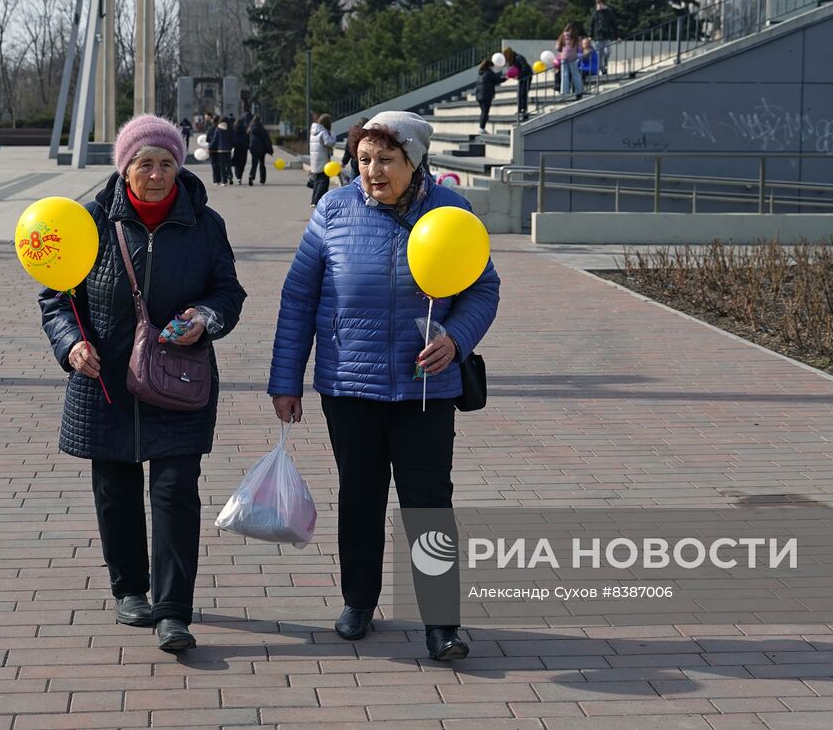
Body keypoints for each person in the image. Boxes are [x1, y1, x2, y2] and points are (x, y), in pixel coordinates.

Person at [269, 110, 500, 662]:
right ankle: (358, 602)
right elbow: (299, 297)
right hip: (349, 386)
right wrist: (286, 380)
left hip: (427, 388)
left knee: (428, 504)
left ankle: (442, 624)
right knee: (360, 497)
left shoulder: (450, 212)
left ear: (413, 160)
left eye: (385, 160)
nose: (372, 171)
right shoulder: (334, 209)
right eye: (364, 160)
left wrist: (457, 341)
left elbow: (483, 289)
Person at [39, 115, 246, 654]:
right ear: (125, 167)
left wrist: (205, 316)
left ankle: (174, 610)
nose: (156, 175)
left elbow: (229, 293)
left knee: (177, 491)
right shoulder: (90, 221)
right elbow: (57, 297)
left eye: (167, 163)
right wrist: (70, 344)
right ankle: (130, 588)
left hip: (178, 377)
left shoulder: (205, 223)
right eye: (145, 163)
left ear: (180, 166)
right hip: (103, 378)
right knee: (116, 491)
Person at [308, 113, 335, 207]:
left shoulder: (313, 131)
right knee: (324, 182)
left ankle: (314, 201)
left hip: (315, 159)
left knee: (317, 181)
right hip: (323, 160)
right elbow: (329, 142)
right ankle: (318, 201)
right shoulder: (323, 131)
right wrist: (333, 136)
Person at [589, 0, 617, 80]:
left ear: (603, 4)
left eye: (600, 4)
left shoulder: (609, 13)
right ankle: (603, 69)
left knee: (607, 52)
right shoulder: (595, 14)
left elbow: (614, 24)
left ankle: (605, 65)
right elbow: (591, 25)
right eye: (597, 4)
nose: (598, 6)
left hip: (607, 36)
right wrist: (590, 36)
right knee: (599, 55)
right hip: (598, 37)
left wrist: (617, 36)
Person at [502, 47, 532, 122]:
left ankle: (524, 110)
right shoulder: (514, 59)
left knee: (523, 93)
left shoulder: (519, 57)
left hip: (526, 76)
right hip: (521, 77)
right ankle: (520, 109)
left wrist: (519, 75)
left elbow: (525, 67)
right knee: (520, 94)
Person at [474, 58, 501, 134]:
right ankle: (481, 128)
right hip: (486, 96)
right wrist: (506, 78)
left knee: (483, 112)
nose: (493, 68)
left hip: (479, 96)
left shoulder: (481, 73)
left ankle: (481, 127)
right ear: (489, 66)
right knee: (485, 112)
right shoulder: (488, 73)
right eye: (492, 66)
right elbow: (497, 79)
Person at [556, 23, 583, 98]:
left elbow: (558, 47)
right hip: (573, 58)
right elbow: (579, 49)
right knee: (576, 74)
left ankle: (564, 92)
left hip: (564, 57)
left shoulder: (562, 36)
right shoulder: (575, 37)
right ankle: (579, 90)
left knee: (564, 75)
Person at [247, 116, 273, 185]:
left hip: (253, 149)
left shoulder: (250, 129)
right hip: (261, 150)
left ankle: (251, 176)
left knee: (254, 164)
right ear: (260, 121)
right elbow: (267, 141)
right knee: (262, 164)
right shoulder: (262, 129)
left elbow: (247, 139)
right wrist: (270, 151)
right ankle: (262, 180)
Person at [209, 119, 233, 186]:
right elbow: (233, 138)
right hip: (228, 149)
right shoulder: (229, 128)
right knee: (228, 164)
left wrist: (210, 147)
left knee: (222, 166)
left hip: (221, 150)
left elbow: (215, 139)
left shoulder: (218, 128)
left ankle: (223, 181)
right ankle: (230, 176)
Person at [231, 115, 250, 186]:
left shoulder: (233, 130)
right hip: (244, 149)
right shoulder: (245, 131)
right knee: (242, 163)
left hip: (236, 148)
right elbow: (248, 140)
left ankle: (237, 176)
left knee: (236, 163)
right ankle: (240, 177)